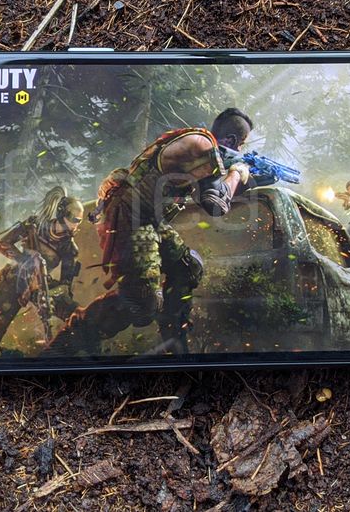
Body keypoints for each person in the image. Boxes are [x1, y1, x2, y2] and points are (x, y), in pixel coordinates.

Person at [45, 108, 256, 356]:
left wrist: (245, 176)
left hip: (149, 219)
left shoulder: (196, 143)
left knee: (187, 268)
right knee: (143, 303)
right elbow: (215, 204)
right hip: (133, 218)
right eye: (240, 145)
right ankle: (65, 344)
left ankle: (174, 343)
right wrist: (237, 172)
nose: (240, 150)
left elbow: (204, 190)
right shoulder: (202, 145)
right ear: (231, 140)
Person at [0, 187, 83, 349]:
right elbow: (3, 243)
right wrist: (24, 260)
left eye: (79, 221)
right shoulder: (34, 226)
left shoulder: (69, 248)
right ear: (62, 215)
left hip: (42, 283)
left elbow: (65, 285)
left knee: (75, 313)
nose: (76, 225)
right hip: (17, 278)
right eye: (74, 219)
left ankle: (65, 352)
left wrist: (51, 294)